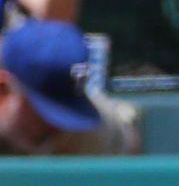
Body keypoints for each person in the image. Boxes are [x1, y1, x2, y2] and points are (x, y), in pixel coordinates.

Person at [0, 19, 140, 155]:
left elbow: (126, 142)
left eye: (67, 108)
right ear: (3, 89)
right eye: (44, 112)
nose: (56, 125)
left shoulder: (88, 132)